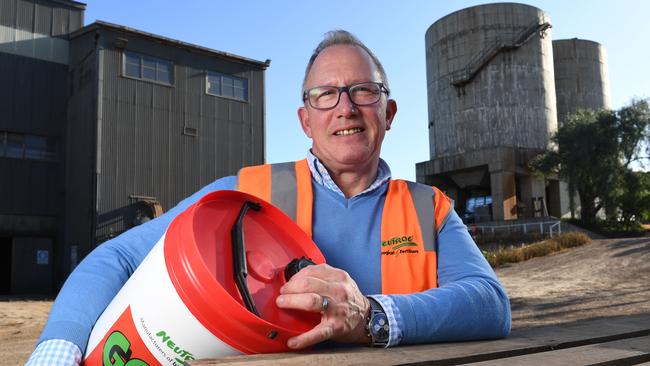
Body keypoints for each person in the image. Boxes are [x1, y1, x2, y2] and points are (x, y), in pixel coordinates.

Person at [26, 30, 511, 365]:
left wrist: (371, 317)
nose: (345, 106)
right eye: (326, 94)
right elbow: (117, 258)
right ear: (305, 119)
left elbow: (490, 305)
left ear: (389, 112)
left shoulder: (430, 209)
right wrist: (58, 348)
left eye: (363, 91)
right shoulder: (245, 194)